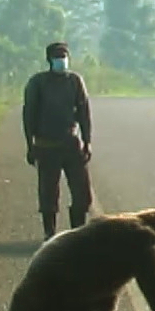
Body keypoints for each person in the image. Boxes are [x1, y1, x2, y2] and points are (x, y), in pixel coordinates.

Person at [22, 41, 94, 239]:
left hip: (71, 144)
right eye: (57, 56)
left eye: (64, 56)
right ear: (49, 60)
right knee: (48, 194)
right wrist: (30, 146)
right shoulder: (38, 83)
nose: (61, 60)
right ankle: (50, 233)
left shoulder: (75, 81)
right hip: (46, 146)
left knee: (82, 194)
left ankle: (78, 233)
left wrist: (87, 142)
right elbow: (29, 115)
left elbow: (84, 112)